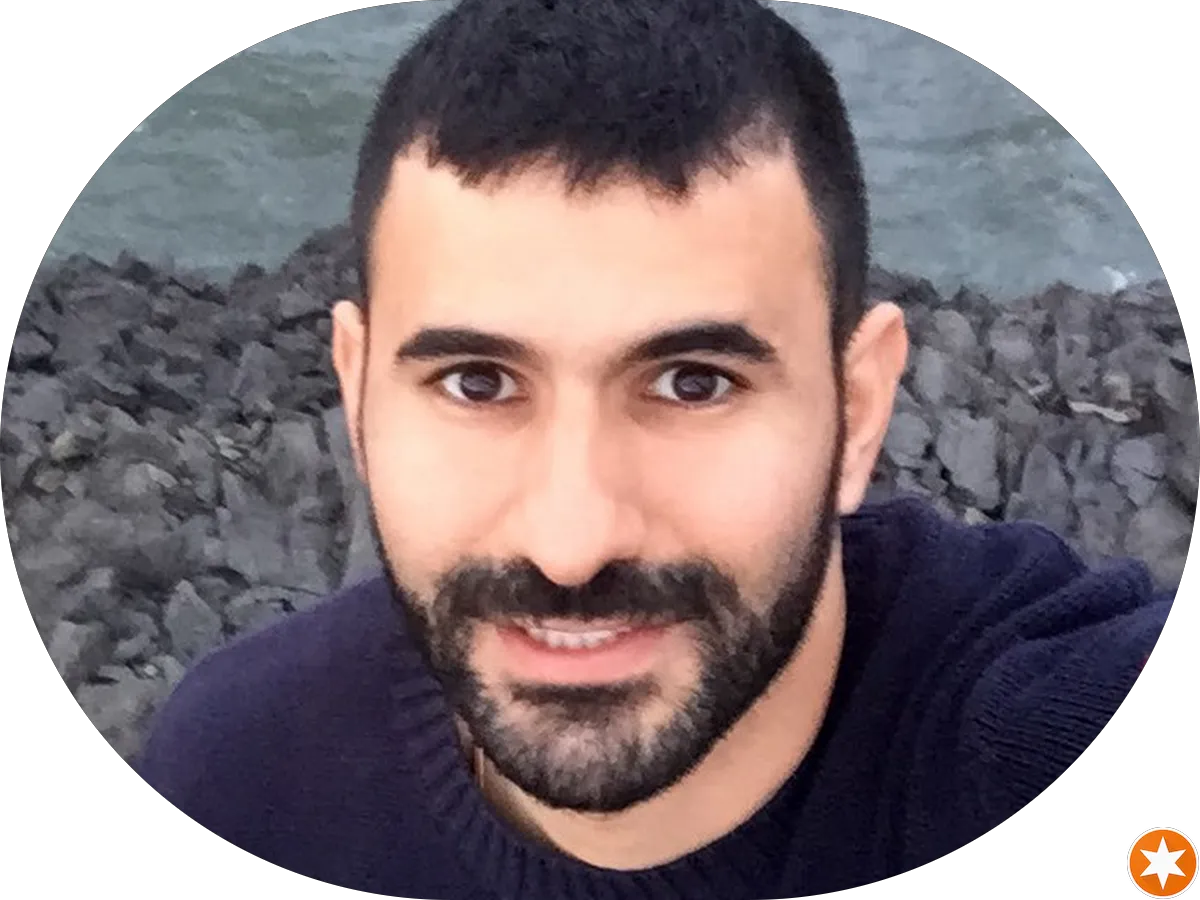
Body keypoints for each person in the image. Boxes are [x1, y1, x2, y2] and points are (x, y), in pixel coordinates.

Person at [130, 2, 1177, 897]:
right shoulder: (238, 776)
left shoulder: (1018, 738)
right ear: (357, 394)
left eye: (694, 383)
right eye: (477, 383)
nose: (571, 544)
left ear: (859, 410)